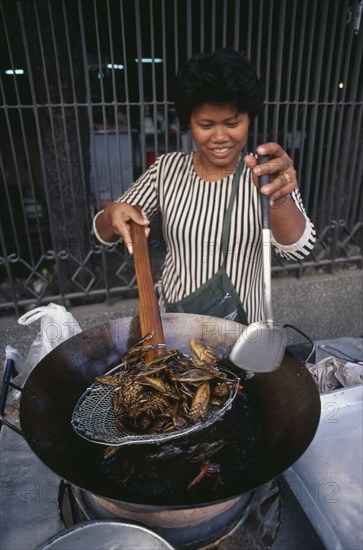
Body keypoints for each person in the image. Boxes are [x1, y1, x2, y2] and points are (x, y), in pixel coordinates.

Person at [93, 48, 315, 325]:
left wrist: (279, 202)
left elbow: (298, 249)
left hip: (243, 336)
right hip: (174, 330)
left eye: (233, 123)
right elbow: (106, 232)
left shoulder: (268, 172)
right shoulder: (167, 169)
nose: (220, 137)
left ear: (248, 118)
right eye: (206, 124)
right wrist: (113, 212)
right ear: (189, 122)